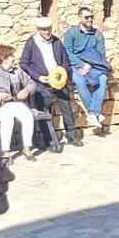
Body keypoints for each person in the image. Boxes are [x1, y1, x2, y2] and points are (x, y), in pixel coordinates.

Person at [21, 17, 81, 152]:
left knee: (67, 108)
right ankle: (50, 142)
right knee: (44, 111)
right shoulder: (31, 43)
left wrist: (62, 71)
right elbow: (24, 63)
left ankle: (72, 136)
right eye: (44, 30)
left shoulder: (57, 42)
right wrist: (38, 77)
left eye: (48, 29)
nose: (47, 32)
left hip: (59, 80)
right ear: (38, 30)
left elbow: (66, 60)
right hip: (43, 82)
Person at [0, 43, 40, 160]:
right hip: (0, 106)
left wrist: (27, 90)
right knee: (7, 118)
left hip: (16, 103)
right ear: (3, 58)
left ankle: (26, 148)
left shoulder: (17, 71)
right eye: (11, 56)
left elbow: (32, 84)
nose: (14, 58)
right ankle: (5, 151)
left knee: (27, 115)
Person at [62, 6, 113, 137]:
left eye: (91, 17)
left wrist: (89, 65)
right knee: (79, 81)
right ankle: (94, 112)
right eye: (87, 17)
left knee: (103, 79)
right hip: (75, 64)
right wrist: (81, 65)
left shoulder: (97, 35)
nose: (90, 19)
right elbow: (67, 51)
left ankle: (92, 112)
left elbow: (101, 53)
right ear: (80, 18)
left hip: (93, 65)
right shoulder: (71, 33)